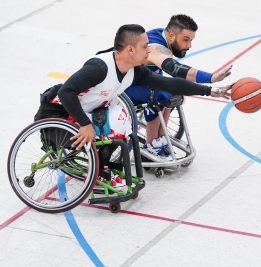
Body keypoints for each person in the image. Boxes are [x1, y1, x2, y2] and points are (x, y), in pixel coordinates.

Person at [34, 24, 231, 186]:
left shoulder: (134, 71)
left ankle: (103, 169)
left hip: (85, 112)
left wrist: (210, 91)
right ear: (130, 49)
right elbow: (65, 92)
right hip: (57, 116)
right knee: (114, 122)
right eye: (145, 46)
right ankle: (99, 171)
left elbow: (170, 83)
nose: (149, 50)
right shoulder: (99, 67)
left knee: (123, 119)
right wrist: (85, 124)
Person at [123, 14, 232, 158]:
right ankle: (151, 145)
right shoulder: (156, 47)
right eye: (185, 40)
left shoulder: (163, 36)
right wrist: (211, 78)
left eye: (191, 40)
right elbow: (175, 69)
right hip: (124, 85)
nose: (189, 45)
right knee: (161, 94)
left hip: (141, 80)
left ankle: (160, 139)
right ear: (171, 35)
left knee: (172, 92)